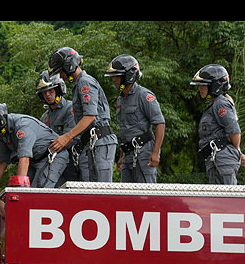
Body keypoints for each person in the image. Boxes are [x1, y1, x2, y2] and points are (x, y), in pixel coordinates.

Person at [0, 100, 70, 202]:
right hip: (35, 161)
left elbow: (24, 159)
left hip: (52, 156)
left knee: (36, 194)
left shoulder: (22, 127)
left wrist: (19, 192)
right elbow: (1, 162)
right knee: (25, 193)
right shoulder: (4, 134)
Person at [47, 47, 118, 183]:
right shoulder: (79, 84)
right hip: (92, 143)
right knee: (93, 191)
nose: (61, 76)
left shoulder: (85, 82)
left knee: (102, 190)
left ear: (69, 67)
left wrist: (67, 137)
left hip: (100, 142)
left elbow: (90, 116)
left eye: (61, 71)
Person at [104, 54, 166, 183]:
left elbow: (160, 124)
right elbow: (125, 130)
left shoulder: (144, 95)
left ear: (128, 75)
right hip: (127, 154)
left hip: (144, 153)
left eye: (117, 76)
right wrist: (121, 157)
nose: (114, 79)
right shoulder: (121, 98)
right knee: (128, 196)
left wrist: (156, 153)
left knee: (146, 194)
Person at [190, 63, 245, 184]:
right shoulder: (214, 104)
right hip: (215, 158)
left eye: (203, 85)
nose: (200, 88)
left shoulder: (220, 104)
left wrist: (236, 152)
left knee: (228, 199)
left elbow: (234, 131)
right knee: (218, 200)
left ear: (215, 86)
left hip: (223, 159)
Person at [36, 69, 84, 183]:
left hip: (75, 162)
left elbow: (71, 139)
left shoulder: (71, 109)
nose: (47, 94)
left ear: (58, 89)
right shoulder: (44, 117)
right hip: (53, 163)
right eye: (44, 92)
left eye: (51, 90)